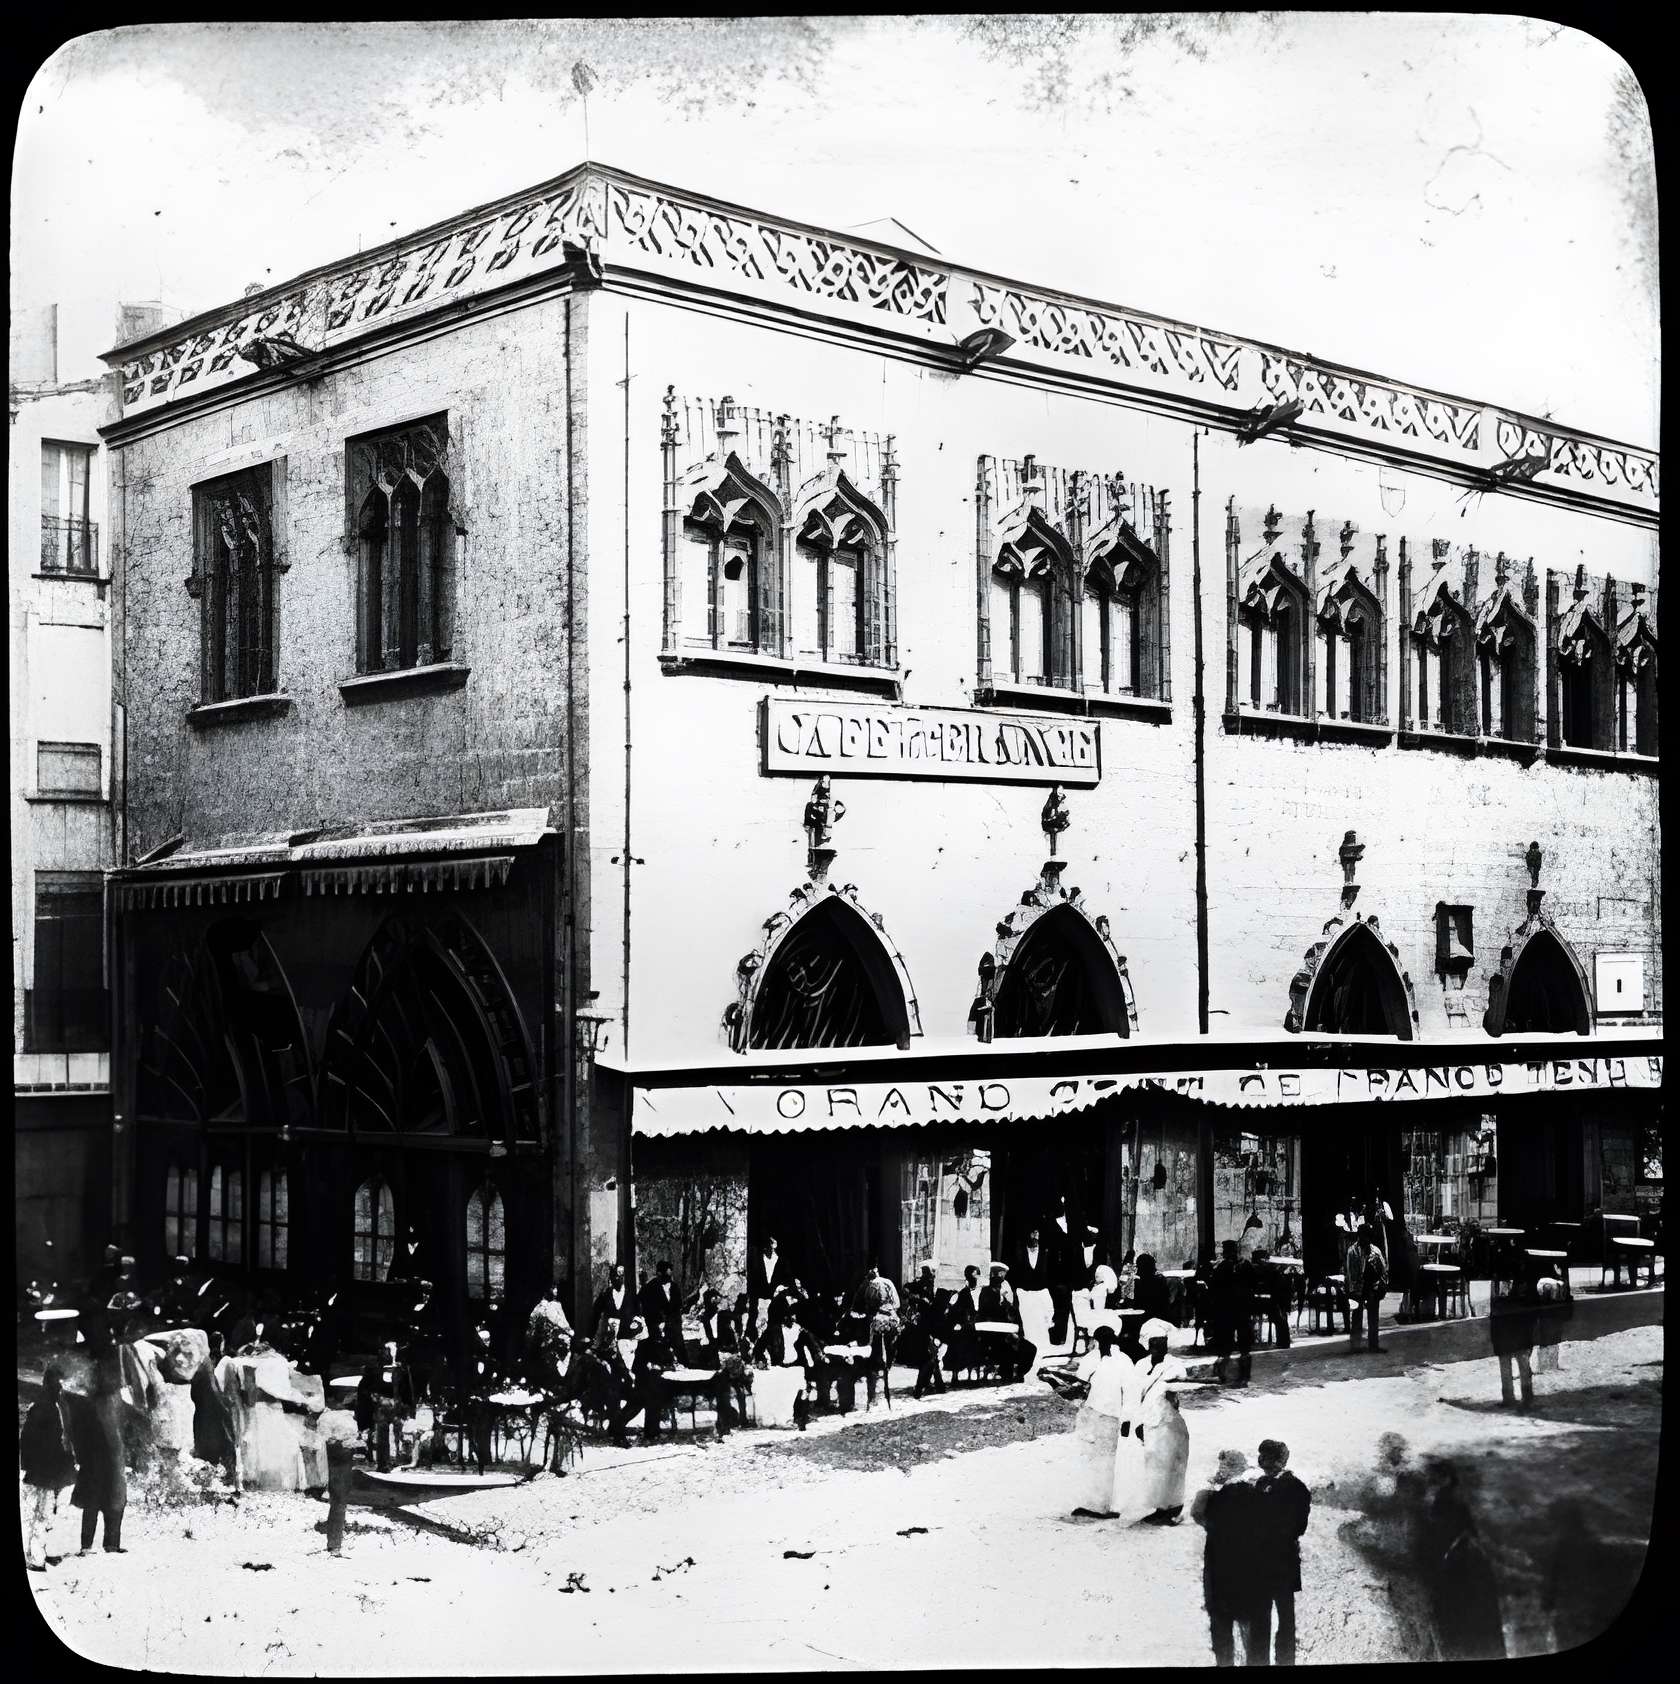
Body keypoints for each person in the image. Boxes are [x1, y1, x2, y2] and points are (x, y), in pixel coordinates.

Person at [1421, 1458, 1506, 1661]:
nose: (1430, 1485)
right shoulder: (1453, 1503)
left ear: (1445, 1479)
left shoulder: (1446, 1503)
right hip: (1465, 1564)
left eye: (1433, 1480)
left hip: (1458, 1564)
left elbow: (1446, 1534)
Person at [1191, 1449, 1260, 1666]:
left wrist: (1212, 1486)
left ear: (1223, 1472)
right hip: (1248, 1573)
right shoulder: (1258, 1497)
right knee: (1249, 1622)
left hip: (1218, 1574)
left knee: (1220, 1626)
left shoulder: (1210, 1499)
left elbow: (1198, 1514)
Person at [1250, 1438, 1312, 1665]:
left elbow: (1299, 1526)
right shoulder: (1259, 1484)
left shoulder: (1297, 1488)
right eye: (1260, 1455)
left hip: (1283, 1562)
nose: (1260, 1460)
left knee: (1286, 1619)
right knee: (1259, 1618)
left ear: (1278, 1460)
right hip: (1261, 1562)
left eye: (1265, 1456)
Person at [67, 1329, 128, 1554]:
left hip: (107, 1456)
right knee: (98, 1499)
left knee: (110, 1499)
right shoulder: (88, 1401)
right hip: (97, 1456)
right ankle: (91, 1545)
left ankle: (107, 1543)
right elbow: (78, 1431)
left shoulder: (108, 1399)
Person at [1067, 1325, 1133, 1519]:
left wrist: (1127, 1418)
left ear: (1113, 1338)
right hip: (1089, 1414)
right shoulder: (1089, 1360)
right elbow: (1079, 1387)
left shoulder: (1123, 1361)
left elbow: (1130, 1392)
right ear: (1096, 1339)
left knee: (1107, 1461)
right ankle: (1087, 1502)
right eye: (1101, 1337)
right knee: (1087, 1458)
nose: (1104, 1341)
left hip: (1112, 1416)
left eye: (1108, 1337)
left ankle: (1102, 1506)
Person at [21, 1363, 79, 1571]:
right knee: (39, 1514)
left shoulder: (59, 1406)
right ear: (50, 1385)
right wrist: (28, 1467)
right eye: (57, 1385)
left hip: (53, 1471)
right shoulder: (42, 1408)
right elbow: (27, 1440)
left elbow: (65, 1437)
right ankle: (36, 1558)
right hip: (42, 1472)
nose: (60, 1389)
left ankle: (41, 1553)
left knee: (47, 1514)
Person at [190, 1330, 246, 1494]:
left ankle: (208, 1483)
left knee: (205, 1447)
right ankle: (224, 1483)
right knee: (222, 1446)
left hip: (201, 1413)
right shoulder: (207, 1362)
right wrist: (225, 1408)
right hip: (211, 1414)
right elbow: (213, 1391)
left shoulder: (199, 1363)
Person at [356, 1341, 416, 1472]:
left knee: (398, 1435)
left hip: (397, 1408)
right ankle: (383, 1463)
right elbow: (364, 1389)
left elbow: (408, 1390)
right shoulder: (374, 1371)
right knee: (382, 1435)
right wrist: (374, 1398)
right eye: (388, 1352)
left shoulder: (402, 1371)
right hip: (381, 1408)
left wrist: (408, 1407)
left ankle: (398, 1460)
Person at [1488, 1253, 1539, 1409]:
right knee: (1520, 1363)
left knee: (1509, 1363)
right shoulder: (1527, 1287)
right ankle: (1525, 1397)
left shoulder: (1500, 1286)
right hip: (1517, 1330)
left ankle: (1512, 1397)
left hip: (1508, 1329)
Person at [1206, 1239, 1254, 1386]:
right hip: (1242, 1308)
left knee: (1225, 1342)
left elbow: (1213, 1288)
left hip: (1226, 1310)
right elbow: (1254, 1283)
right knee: (1244, 1342)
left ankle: (1224, 1374)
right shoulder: (1245, 1265)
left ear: (1225, 1252)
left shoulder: (1221, 1268)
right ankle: (1244, 1375)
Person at [978, 1262, 1036, 1383]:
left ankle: (1018, 1373)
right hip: (993, 1336)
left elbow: (1014, 1315)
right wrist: (999, 1301)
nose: (1001, 1282)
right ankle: (1007, 1374)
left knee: (1030, 1349)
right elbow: (987, 1314)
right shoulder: (985, 1293)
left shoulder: (1006, 1296)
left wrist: (1019, 1332)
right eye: (999, 1277)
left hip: (1008, 1334)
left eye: (1002, 1278)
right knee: (1007, 1349)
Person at [1345, 1224, 1388, 1353]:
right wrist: (1352, 1291)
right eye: (1364, 1236)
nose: (1366, 1240)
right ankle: (1355, 1346)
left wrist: (1381, 1285)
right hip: (1358, 1287)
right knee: (1357, 1317)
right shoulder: (1352, 1251)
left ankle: (1373, 1345)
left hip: (1372, 1287)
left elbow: (1383, 1270)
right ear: (1360, 1236)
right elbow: (1350, 1273)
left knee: (1373, 1317)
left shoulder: (1375, 1251)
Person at [942, 1264, 985, 1382]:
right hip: (962, 1326)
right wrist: (959, 1322)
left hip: (975, 1325)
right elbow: (953, 1311)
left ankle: (974, 1375)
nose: (975, 1280)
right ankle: (955, 1375)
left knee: (977, 1343)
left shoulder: (980, 1291)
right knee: (957, 1344)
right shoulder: (961, 1293)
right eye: (973, 1278)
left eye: (976, 1278)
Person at [639, 1260, 685, 1354]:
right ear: (659, 1274)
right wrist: (658, 1321)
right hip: (656, 1324)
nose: (669, 1279)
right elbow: (644, 1306)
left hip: (673, 1326)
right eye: (666, 1276)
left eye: (670, 1276)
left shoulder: (674, 1287)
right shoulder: (650, 1287)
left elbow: (678, 1305)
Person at [1250, 1249, 1292, 1349]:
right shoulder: (1272, 1270)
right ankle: (1283, 1342)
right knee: (1280, 1320)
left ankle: (1282, 1342)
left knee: (1279, 1320)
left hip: (1268, 1301)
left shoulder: (1265, 1270)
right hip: (1273, 1301)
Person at [746, 1234, 782, 1334]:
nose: (770, 1249)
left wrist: (778, 1288)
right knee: (756, 1319)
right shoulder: (756, 1259)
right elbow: (752, 1276)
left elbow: (782, 1277)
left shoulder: (779, 1259)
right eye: (768, 1247)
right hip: (759, 1296)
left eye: (773, 1247)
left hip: (773, 1295)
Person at [589, 1262, 633, 1339]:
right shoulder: (606, 1295)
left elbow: (637, 1314)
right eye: (617, 1275)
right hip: (608, 1337)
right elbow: (595, 1315)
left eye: (622, 1275)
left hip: (625, 1340)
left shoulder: (630, 1295)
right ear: (612, 1278)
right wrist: (590, 1335)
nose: (620, 1278)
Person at [1131, 1253, 1172, 1323]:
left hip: (1151, 1318)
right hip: (1159, 1318)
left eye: (1139, 1267)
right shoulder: (1160, 1280)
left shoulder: (1140, 1283)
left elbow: (1136, 1305)